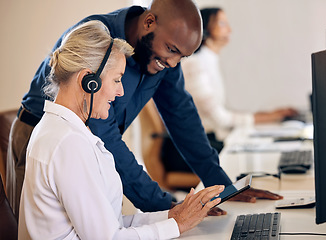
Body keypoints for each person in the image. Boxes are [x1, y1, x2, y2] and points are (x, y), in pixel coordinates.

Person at [7, 0, 281, 219]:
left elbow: (181, 114)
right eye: (171, 50)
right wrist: (166, 208)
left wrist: (223, 187)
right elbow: (106, 135)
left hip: (88, 145)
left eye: (181, 57)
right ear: (149, 22)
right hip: (40, 141)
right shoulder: (99, 41)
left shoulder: (163, 56)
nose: (173, 63)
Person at [18, 20, 224, 239]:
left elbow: (111, 224)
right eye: (117, 80)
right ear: (89, 81)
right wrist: (178, 225)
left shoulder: (68, 131)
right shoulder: (67, 143)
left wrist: (173, 215)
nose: (121, 92)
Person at [161, 7, 298, 181]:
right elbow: (220, 119)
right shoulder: (195, 64)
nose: (230, 30)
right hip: (191, 149)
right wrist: (270, 117)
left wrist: (270, 116)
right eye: (222, 23)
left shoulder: (209, 60)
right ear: (205, 28)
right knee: (256, 172)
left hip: (207, 141)